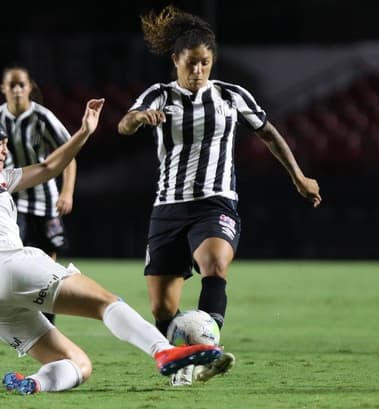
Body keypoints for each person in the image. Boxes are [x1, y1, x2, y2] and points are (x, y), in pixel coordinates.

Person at [0, 97, 224, 396]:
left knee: (79, 363)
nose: (5, 150)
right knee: (106, 303)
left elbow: (48, 168)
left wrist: (84, 133)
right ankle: (163, 351)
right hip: (7, 264)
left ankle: (34, 382)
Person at [117, 5, 322, 386]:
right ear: (176, 60)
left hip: (216, 201)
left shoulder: (231, 96)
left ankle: (208, 351)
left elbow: (268, 133)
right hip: (168, 207)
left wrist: (298, 175)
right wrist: (139, 118)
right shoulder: (159, 96)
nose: (198, 71)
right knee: (162, 306)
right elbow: (123, 125)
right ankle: (182, 365)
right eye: (191, 63)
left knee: (215, 264)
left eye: (205, 63)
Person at [0, 65, 76, 326]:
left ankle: (48, 325)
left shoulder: (43, 117)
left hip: (46, 201)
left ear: (29, 88)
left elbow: (68, 154)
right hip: (12, 202)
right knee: (18, 265)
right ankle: (27, 324)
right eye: (11, 85)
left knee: (48, 268)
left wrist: (67, 192)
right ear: (3, 88)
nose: (16, 90)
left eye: (20, 85)